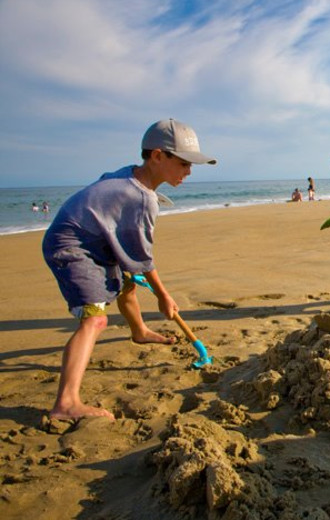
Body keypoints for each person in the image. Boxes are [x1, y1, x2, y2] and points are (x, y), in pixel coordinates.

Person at [41, 119, 216, 420]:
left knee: (127, 283)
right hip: (71, 247)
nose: (189, 171)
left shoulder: (130, 175)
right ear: (158, 156)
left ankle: (140, 331)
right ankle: (66, 402)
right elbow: (143, 257)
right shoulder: (143, 199)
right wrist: (164, 296)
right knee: (95, 320)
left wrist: (125, 262)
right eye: (184, 163)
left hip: (95, 239)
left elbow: (108, 194)